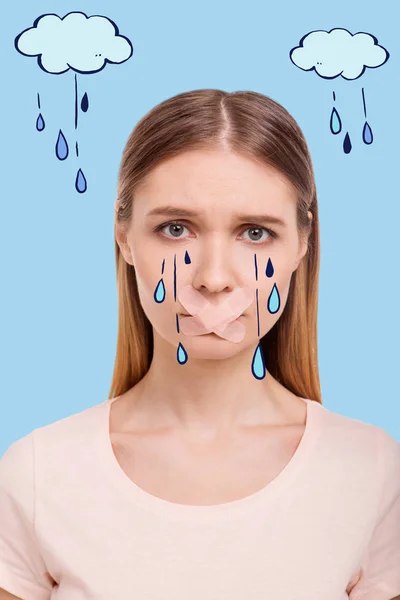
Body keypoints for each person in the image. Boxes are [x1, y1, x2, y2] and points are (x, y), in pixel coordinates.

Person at [0, 89, 399, 600]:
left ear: (302, 244)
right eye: (175, 228)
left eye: (255, 233)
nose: (213, 278)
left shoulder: (372, 472)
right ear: (124, 236)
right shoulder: (39, 474)